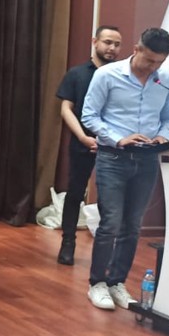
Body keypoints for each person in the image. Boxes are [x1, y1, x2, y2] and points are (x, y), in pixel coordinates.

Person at [80, 26, 169, 311]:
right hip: (113, 157)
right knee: (111, 223)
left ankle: (117, 281)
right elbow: (89, 115)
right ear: (136, 49)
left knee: (133, 225)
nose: (153, 67)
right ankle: (97, 283)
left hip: (147, 159)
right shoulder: (107, 75)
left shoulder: (166, 80)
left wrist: (163, 136)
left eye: (159, 62)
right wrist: (118, 138)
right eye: (149, 60)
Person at [54, 25, 122, 266]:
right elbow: (66, 109)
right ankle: (68, 243)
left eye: (117, 44)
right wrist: (83, 137)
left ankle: (107, 248)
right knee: (75, 193)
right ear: (95, 42)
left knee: (109, 198)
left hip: (113, 145)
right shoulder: (77, 73)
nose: (112, 48)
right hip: (83, 141)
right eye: (107, 42)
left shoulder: (121, 75)